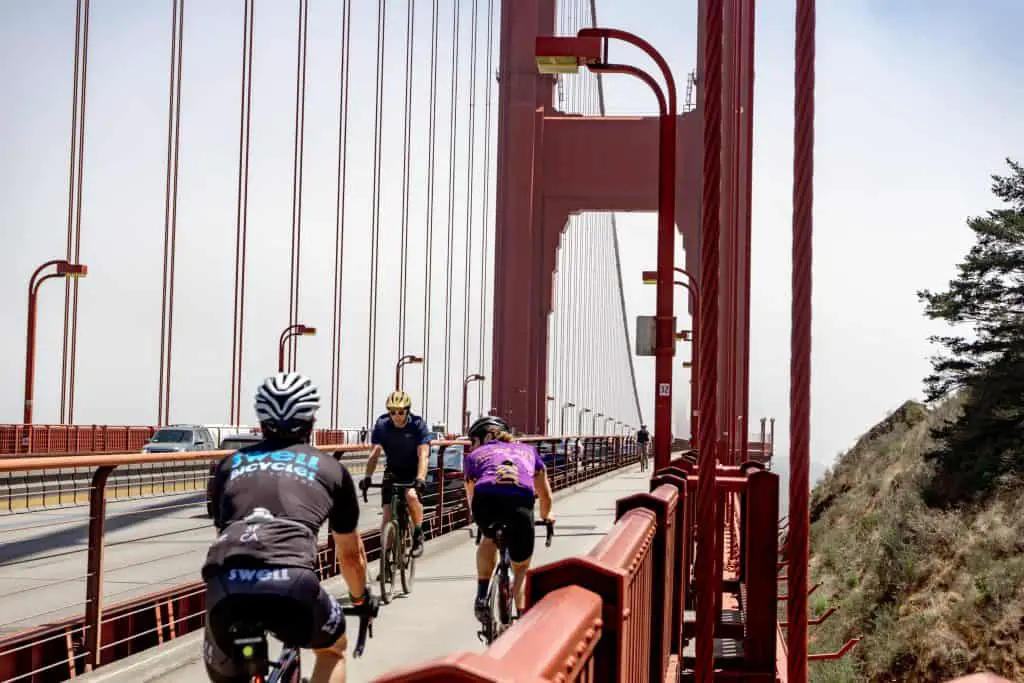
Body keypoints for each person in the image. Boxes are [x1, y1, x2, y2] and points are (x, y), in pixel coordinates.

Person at [202, 372, 378, 683]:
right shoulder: (331, 470)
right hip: (292, 584)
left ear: (261, 420)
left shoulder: (229, 466)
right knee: (332, 647)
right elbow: (351, 557)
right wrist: (361, 599)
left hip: (225, 583)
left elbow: (226, 535)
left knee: (227, 671)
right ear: (311, 420)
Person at [463, 415, 554, 620]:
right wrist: (547, 515)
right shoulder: (529, 451)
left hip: (486, 502)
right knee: (520, 566)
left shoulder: (474, 456)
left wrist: (480, 520)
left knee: (488, 538)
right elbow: (545, 496)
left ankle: (481, 597)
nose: (471, 446)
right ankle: (521, 617)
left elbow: (472, 494)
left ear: (484, 437)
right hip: (519, 505)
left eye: (473, 441)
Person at [360, 391, 431, 557]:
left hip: (414, 470)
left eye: (400, 412)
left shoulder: (417, 425)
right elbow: (374, 454)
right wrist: (367, 477)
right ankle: (386, 559)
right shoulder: (382, 425)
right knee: (386, 516)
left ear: (407, 411)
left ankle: (418, 535)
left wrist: (420, 479)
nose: (396, 416)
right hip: (393, 470)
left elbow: (424, 455)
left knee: (412, 497)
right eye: (392, 412)